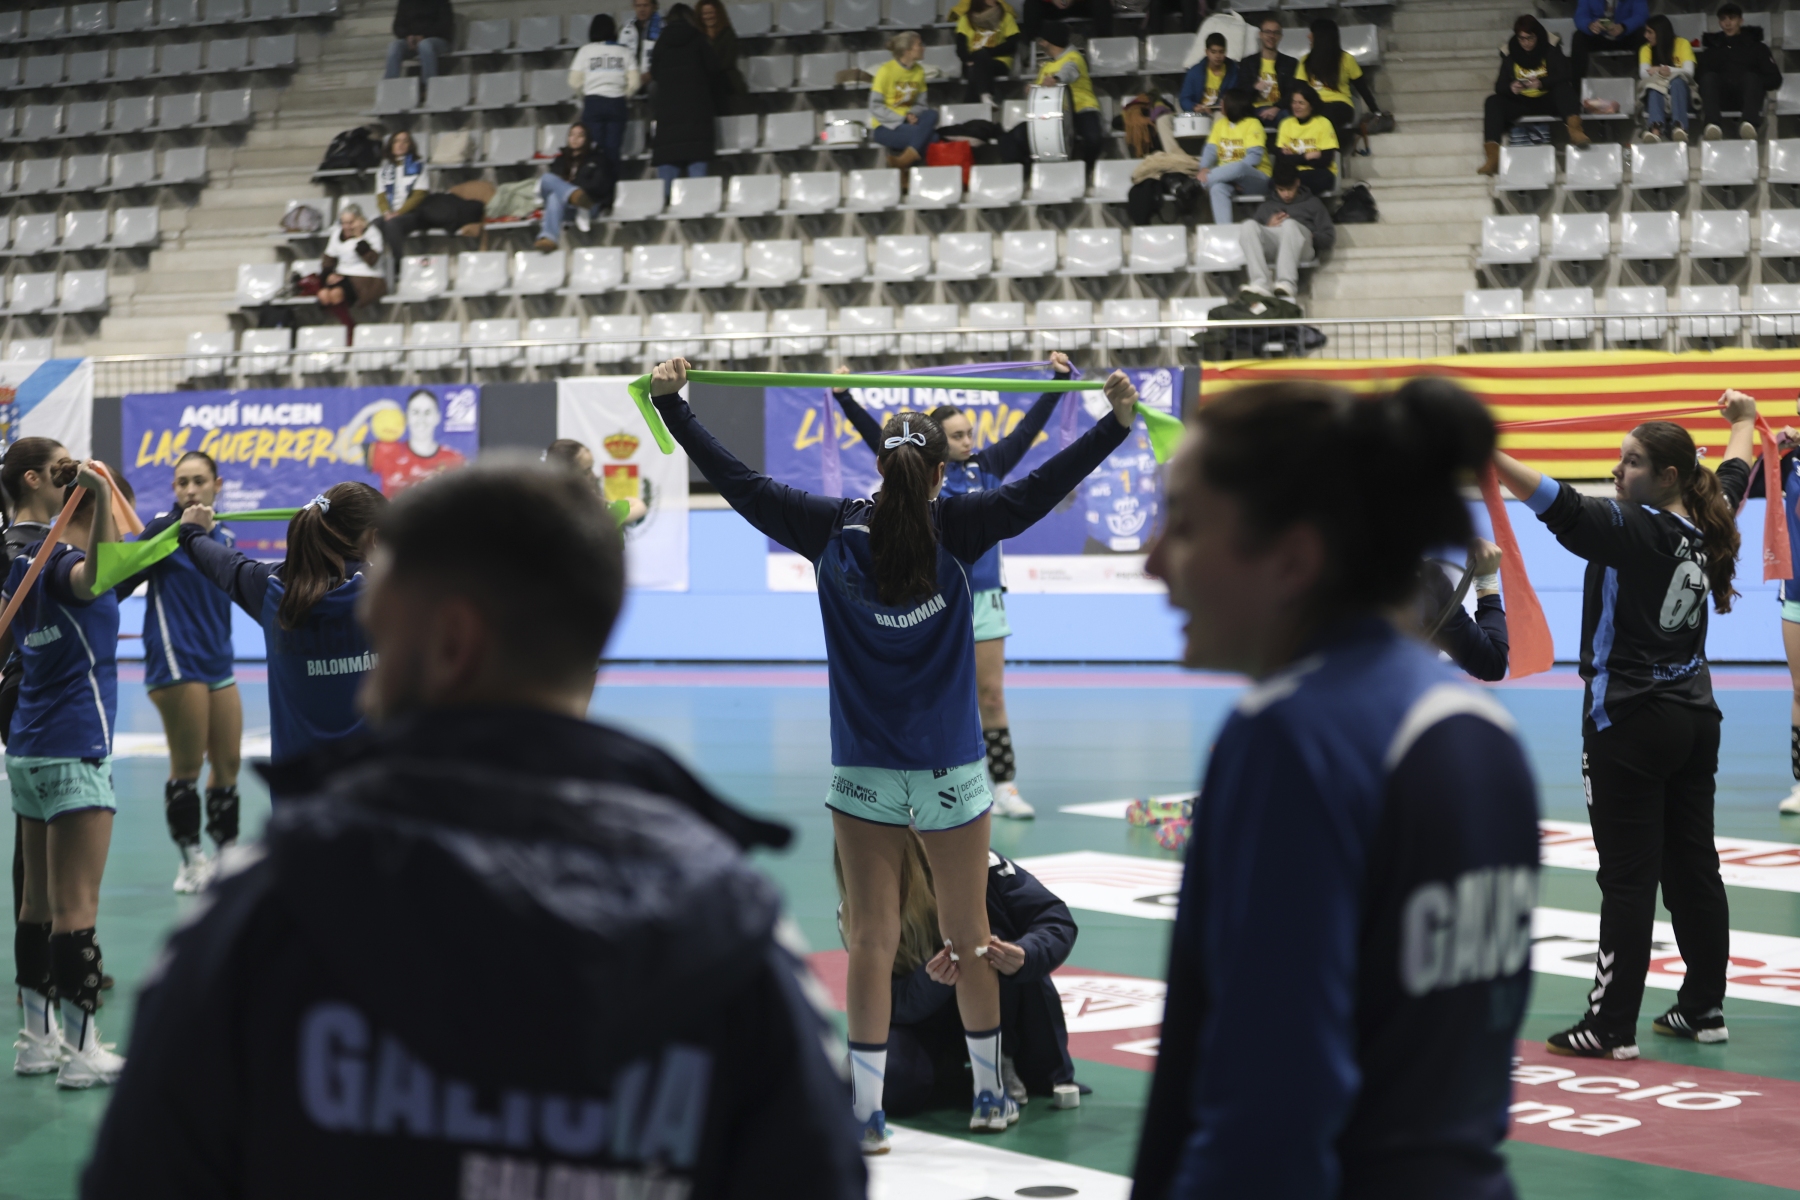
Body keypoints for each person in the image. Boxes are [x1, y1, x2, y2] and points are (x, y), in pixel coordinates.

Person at [81, 460, 866, 1200]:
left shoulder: (255, 918)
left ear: (451, 643)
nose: (372, 684)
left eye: (387, 633)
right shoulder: (734, 933)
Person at [647, 357, 1141, 1151]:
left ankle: (867, 1115)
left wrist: (676, 406)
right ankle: (991, 1097)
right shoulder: (964, 526)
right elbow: (1043, 484)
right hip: (952, 772)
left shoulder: (827, 527)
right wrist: (1116, 424)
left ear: (879, 466)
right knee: (969, 936)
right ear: (940, 472)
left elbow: (737, 482)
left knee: (870, 942)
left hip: (861, 771)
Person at [1132, 377, 1540, 1198]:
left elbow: (1268, 1114)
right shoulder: (1483, 732)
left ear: (1292, 558)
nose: (1152, 559)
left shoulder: (1288, 737)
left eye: (1185, 523)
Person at [1491, 390, 1758, 1059]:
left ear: (1667, 476)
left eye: (1632, 462)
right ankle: (1703, 1008)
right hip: (1694, 718)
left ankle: (1610, 1025)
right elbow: (1734, 472)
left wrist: (1486, 453)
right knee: (1694, 867)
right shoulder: (1708, 516)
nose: (1618, 471)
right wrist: (1745, 421)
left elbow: (1558, 504)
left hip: (1629, 723)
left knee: (1628, 878)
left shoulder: (1635, 528)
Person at [830, 353, 1079, 821]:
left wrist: (1059, 380)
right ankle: (916, 782)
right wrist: (844, 397)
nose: (968, 441)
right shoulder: (919, 474)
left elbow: (1030, 428)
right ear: (936, 455)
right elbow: (875, 438)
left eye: (969, 433)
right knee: (926, 692)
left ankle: (1004, 786)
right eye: (958, 436)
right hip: (935, 600)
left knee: (992, 695)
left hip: (984, 599)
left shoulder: (990, 464)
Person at [5, 454, 130, 1089]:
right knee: (75, 908)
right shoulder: (63, 565)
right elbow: (95, 576)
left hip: (26, 751)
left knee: (35, 904)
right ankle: (82, 1052)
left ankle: (37, 1042)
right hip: (75, 749)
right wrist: (101, 496)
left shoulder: (22, 568)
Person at [835, 833, 1079, 1115]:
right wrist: (930, 983)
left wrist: (1025, 955)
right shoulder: (855, 914)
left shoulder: (978, 863)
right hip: (924, 1023)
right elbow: (883, 1001)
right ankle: (951, 1073)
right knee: (884, 1083)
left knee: (989, 940)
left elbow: (1055, 919)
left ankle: (1001, 1059)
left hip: (1007, 1010)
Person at [176, 483, 385, 769]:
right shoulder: (390, 591)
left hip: (296, 786)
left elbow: (223, 563)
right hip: (377, 783)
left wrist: (191, 532)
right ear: (375, 538)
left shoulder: (271, 589)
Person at [131, 451, 242, 895]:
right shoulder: (163, 530)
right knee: (188, 766)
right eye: (182, 482)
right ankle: (191, 861)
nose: (191, 490)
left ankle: (227, 855)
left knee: (228, 765)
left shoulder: (225, 535)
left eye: (199, 480)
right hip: (175, 660)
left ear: (218, 484)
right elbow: (120, 576)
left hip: (218, 659)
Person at [1479, 15, 1583, 176]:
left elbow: (1565, 74)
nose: (1526, 43)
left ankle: (1576, 131)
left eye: (1530, 38)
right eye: (1521, 39)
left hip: (1547, 99)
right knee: (1492, 101)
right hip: (1521, 101)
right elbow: (1499, 86)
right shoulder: (1510, 52)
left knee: (1564, 89)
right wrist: (1511, 87)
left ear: (1537, 36)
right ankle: (1493, 156)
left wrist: (1542, 83)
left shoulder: (1550, 47)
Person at [1000, 21, 1102, 168]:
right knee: (1010, 138)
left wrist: (1056, 78)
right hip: (1050, 116)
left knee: (1093, 138)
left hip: (1081, 109)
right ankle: (1025, 171)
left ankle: (1087, 170)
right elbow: (1038, 93)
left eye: (1041, 40)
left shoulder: (1074, 57)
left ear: (1046, 42)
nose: (1040, 43)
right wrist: (1032, 89)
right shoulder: (1046, 66)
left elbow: (1070, 71)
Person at [649, 4, 724, 197]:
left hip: (668, 120)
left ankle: (665, 208)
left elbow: (654, 74)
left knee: (664, 193)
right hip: (697, 118)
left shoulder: (661, 43)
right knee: (697, 192)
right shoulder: (699, 40)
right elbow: (715, 71)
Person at [1236, 162, 1333, 303]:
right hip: (1275, 248)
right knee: (1248, 225)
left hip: (1304, 247)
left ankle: (1286, 283)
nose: (1286, 194)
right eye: (1281, 190)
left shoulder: (1313, 203)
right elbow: (1253, 238)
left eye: (1290, 189)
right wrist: (1268, 227)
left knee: (1289, 224)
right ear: (1275, 187)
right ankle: (1259, 283)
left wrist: (1312, 236)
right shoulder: (1267, 206)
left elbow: (1329, 237)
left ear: (1297, 183)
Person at [1418, 538, 1510, 682]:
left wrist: (1486, 579)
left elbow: (1492, 664)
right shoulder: (1429, 577)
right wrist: (1486, 579)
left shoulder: (1430, 578)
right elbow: (1491, 664)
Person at [1698, 3, 1780, 141]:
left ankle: (1749, 125)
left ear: (1740, 21)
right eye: (1723, 19)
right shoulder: (1712, 50)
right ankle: (1712, 125)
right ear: (1719, 23)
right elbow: (1699, 77)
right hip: (1720, 99)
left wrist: (1755, 81)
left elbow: (1775, 79)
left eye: (1732, 18)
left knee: (1751, 78)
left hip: (1749, 98)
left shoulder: (1757, 47)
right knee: (1708, 78)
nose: (1728, 23)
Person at [1294, 19, 1380, 148]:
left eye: (1312, 33)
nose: (1308, 36)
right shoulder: (1305, 60)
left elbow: (1362, 88)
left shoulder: (1346, 59)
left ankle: (1328, 153)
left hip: (1340, 105)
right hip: (1314, 104)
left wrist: (1375, 110)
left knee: (1325, 118)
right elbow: (1298, 88)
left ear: (1321, 36)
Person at [367, 389, 467, 496]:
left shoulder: (454, 459)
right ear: (407, 417)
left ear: (437, 417)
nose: (421, 419)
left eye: (427, 412)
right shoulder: (387, 451)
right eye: (415, 412)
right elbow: (352, 449)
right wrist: (372, 408)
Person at [569, 14, 638, 167]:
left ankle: (595, 179)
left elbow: (574, 81)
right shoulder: (624, 51)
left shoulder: (585, 51)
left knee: (593, 150)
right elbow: (634, 82)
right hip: (617, 102)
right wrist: (625, 96)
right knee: (613, 150)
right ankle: (612, 181)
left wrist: (584, 95)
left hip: (593, 102)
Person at [870, 31, 939, 171]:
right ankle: (905, 165)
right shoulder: (885, 71)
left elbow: (921, 104)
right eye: (919, 45)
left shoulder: (919, 71)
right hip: (886, 127)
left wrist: (911, 114)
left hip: (910, 121)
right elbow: (875, 106)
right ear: (907, 51)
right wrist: (903, 118)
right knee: (933, 138)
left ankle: (903, 162)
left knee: (932, 114)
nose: (923, 48)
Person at [535, 123, 609, 252]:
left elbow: (599, 185)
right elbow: (554, 183)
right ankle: (573, 195)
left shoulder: (598, 159)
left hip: (589, 205)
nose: (575, 139)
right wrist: (571, 190)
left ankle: (549, 236)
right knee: (548, 182)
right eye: (572, 135)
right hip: (567, 207)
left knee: (554, 195)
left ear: (587, 139)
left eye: (580, 136)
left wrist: (573, 185)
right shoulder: (560, 160)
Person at [1198, 90, 1267, 227]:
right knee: (1217, 188)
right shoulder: (1220, 124)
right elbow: (1210, 150)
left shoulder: (1253, 123)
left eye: (1224, 101)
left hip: (1255, 178)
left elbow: (1254, 158)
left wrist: (1232, 176)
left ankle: (1198, 184)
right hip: (1228, 178)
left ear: (1233, 104)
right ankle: (1225, 231)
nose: (1220, 103)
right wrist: (1204, 167)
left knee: (1238, 166)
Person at [317, 205, 387, 326]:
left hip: (367, 277)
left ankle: (349, 327)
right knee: (323, 294)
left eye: (350, 223)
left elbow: (372, 260)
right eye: (343, 223)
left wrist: (359, 238)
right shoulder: (337, 234)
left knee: (336, 293)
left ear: (360, 220)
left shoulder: (372, 233)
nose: (346, 227)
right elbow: (328, 259)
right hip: (343, 275)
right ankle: (344, 324)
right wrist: (329, 274)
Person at [1273, 83, 1338, 195]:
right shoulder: (1285, 124)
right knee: (1274, 183)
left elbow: (1325, 160)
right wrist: (1307, 156)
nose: (1296, 106)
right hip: (1292, 173)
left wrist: (1293, 158)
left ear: (1311, 105)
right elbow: (1281, 160)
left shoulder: (1323, 123)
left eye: (1301, 103)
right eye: (1294, 102)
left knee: (1306, 181)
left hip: (1318, 172)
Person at [952, 0, 1020, 106]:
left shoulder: (1006, 17)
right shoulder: (966, 19)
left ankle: (971, 104)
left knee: (979, 59)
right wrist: (968, 60)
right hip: (971, 62)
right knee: (977, 63)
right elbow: (960, 48)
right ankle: (985, 96)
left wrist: (987, 52)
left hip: (999, 62)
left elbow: (1012, 45)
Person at [1638, 15, 1694, 144]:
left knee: (1677, 81)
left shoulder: (1682, 43)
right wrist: (1664, 71)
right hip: (1658, 96)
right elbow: (1643, 74)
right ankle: (1655, 131)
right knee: (1654, 86)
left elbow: (1689, 72)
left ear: (1660, 32)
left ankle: (1680, 128)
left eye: (1650, 32)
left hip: (1681, 94)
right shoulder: (1645, 49)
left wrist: (1663, 69)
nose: (1646, 36)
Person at [1570, 0, 1647, 79]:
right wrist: (1590, 25)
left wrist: (1623, 26)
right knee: (1579, 37)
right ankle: (1577, 84)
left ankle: (1646, 79)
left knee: (1643, 35)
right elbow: (1580, 16)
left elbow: (1641, 15)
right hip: (1599, 35)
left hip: (1626, 33)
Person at [383, 0, 453, 83]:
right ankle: (390, 84)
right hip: (412, 40)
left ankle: (429, 84)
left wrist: (424, 36)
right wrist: (407, 36)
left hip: (438, 40)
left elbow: (444, 25)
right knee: (395, 46)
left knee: (425, 45)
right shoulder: (405, 2)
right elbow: (397, 26)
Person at [696, 0, 747, 112]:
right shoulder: (697, 36)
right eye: (705, 13)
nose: (708, 16)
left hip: (727, 79)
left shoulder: (728, 33)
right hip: (705, 80)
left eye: (711, 13)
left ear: (718, 13)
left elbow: (728, 61)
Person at [1248, 15, 1299, 124]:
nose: (1271, 36)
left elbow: (1292, 92)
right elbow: (1241, 92)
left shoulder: (1290, 63)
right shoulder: (1248, 62)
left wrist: (1277, 107)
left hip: (1281, 109)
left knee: (1288, 117)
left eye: (1276, 32)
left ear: (1280, 36)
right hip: (1254, 110)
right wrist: (1254, 88)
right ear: (1260, 34)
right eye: (1267, 32)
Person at [1178, 33, 1237, 117]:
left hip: (1221, 113)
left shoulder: (1233, 72)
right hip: (1198, 115)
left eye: (1221, 52)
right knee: (1166, 119)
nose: (1218, 56)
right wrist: (1194, 107)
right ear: (1207, 52)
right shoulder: (1195, 72)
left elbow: (1235, 99)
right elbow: (1184, 98)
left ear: (1225, 52)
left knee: (1219, 116)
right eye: (1213, 52)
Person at [1020, 0, 1107, 43]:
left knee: (1102, 2)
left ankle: (1105, 44)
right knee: (1031, 4)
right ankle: (1034, 45)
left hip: (1079, 4)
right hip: (1051, 6)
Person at [620, 0, 663, 89]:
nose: (641, 9)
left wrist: (652, 73)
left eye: (645, 5)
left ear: (653, 6)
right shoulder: (626, 28)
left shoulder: (662, 28)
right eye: (638, 6)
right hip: (630, 80)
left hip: (655, 81)